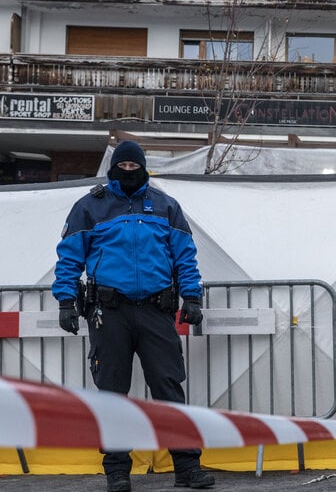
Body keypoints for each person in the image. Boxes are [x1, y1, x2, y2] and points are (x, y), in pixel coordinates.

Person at [53, 140, 215, 492]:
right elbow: (69, 258)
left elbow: (185, 256)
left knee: (169, 388)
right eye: (122, 166)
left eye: (134, 166)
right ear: (113, 168)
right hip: (108, 313)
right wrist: (66, 300)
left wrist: (192, 296)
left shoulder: (165, 206)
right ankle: (117, 471)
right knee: (112, 392)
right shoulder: (90, 207)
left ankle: (187, 467)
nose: (128, 172)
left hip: (157, 311)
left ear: (143, 168)